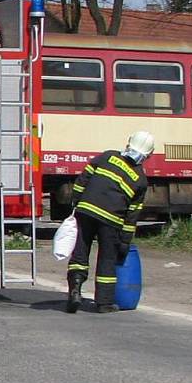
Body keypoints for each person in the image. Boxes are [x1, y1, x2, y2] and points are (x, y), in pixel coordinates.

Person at [66, 131, 154, 314]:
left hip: (86, 211)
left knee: (80, 252)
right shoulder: (140, 179)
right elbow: (132, 215)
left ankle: (75, 290)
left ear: (129, 143)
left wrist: (76, 202)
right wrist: (125, 241)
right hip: (111, 220)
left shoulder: (108, 156)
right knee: (107, 258)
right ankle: (104, 303)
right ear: (148, 154)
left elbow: (83, 180)